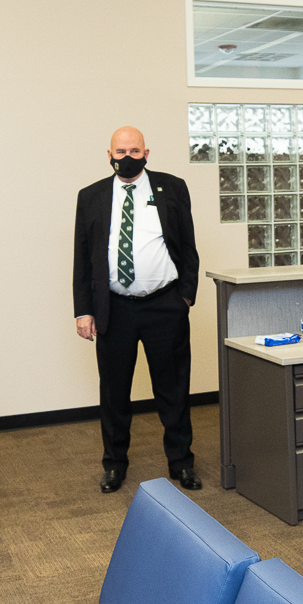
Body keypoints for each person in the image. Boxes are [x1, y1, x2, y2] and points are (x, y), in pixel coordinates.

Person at [73, 126, 200, 493]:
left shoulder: (171, 188)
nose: (126, 157)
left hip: (165, 305)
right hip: (114, 309)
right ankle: (114, 464)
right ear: (109, 155)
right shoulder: (91, 196)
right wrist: (84, 310)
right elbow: (83, 257)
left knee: (173, 388)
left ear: (147, 153)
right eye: (120, 151)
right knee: (114, 392)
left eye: (133, 150)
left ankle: (181, 462)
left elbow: (187, 245)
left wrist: (185, 296)